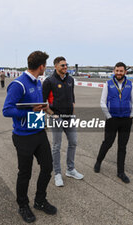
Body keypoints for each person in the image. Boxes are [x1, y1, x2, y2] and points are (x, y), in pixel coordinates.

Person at [3, 51, 57, 223]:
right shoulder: (18, 84)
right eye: (45, 65)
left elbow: (37, 106)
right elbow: (7, 110)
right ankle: (23, 205)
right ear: (41, 66)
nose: (45, 68)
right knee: (25, 173)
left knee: (47, 167)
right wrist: (29, 112)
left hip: (39, 133)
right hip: (23, 136)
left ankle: (40, 201)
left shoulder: (38, 82)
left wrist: (47, 113)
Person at [42, 57, 83, 187]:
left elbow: (72, 98)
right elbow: (43, 103)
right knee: (56, 146)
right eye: (62, 65)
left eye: (66, 65)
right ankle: (58, 174)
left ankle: (70, 169)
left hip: (69, 117)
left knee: (73, 142)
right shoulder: (49, 81)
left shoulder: (70, 80)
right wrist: (52, 115)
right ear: (55, 66)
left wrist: (73, 112)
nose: (65, 67)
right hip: (56, 118)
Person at [94, 62, 133, 184]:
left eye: (121, 71)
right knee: (108, 143)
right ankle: (98, 161)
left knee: (122, 146)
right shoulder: (108, 84)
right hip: (112, 119)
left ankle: (121, 172)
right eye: (117, 71)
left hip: (126, 120)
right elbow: (102, 102)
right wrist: (108, 116)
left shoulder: (130, 84)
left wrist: (131, 115)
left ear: (125, 72)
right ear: (114, 71)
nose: (119, 73)